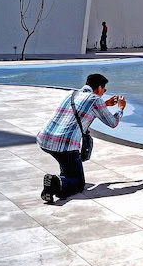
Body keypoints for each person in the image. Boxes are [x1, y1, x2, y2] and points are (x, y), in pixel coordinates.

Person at [37, 73, 126, 203]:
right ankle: (56, 181)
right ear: (99, 88)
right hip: (65, 146)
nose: (103, 92)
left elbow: (82, 109)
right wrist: (121, 108)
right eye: (104, 90)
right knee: (78, 183)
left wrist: (105, 104)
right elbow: (113, 123)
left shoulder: (71, 93)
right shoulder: (95, 99)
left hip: (44, 139)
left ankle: (55, 186)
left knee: (68, 170)